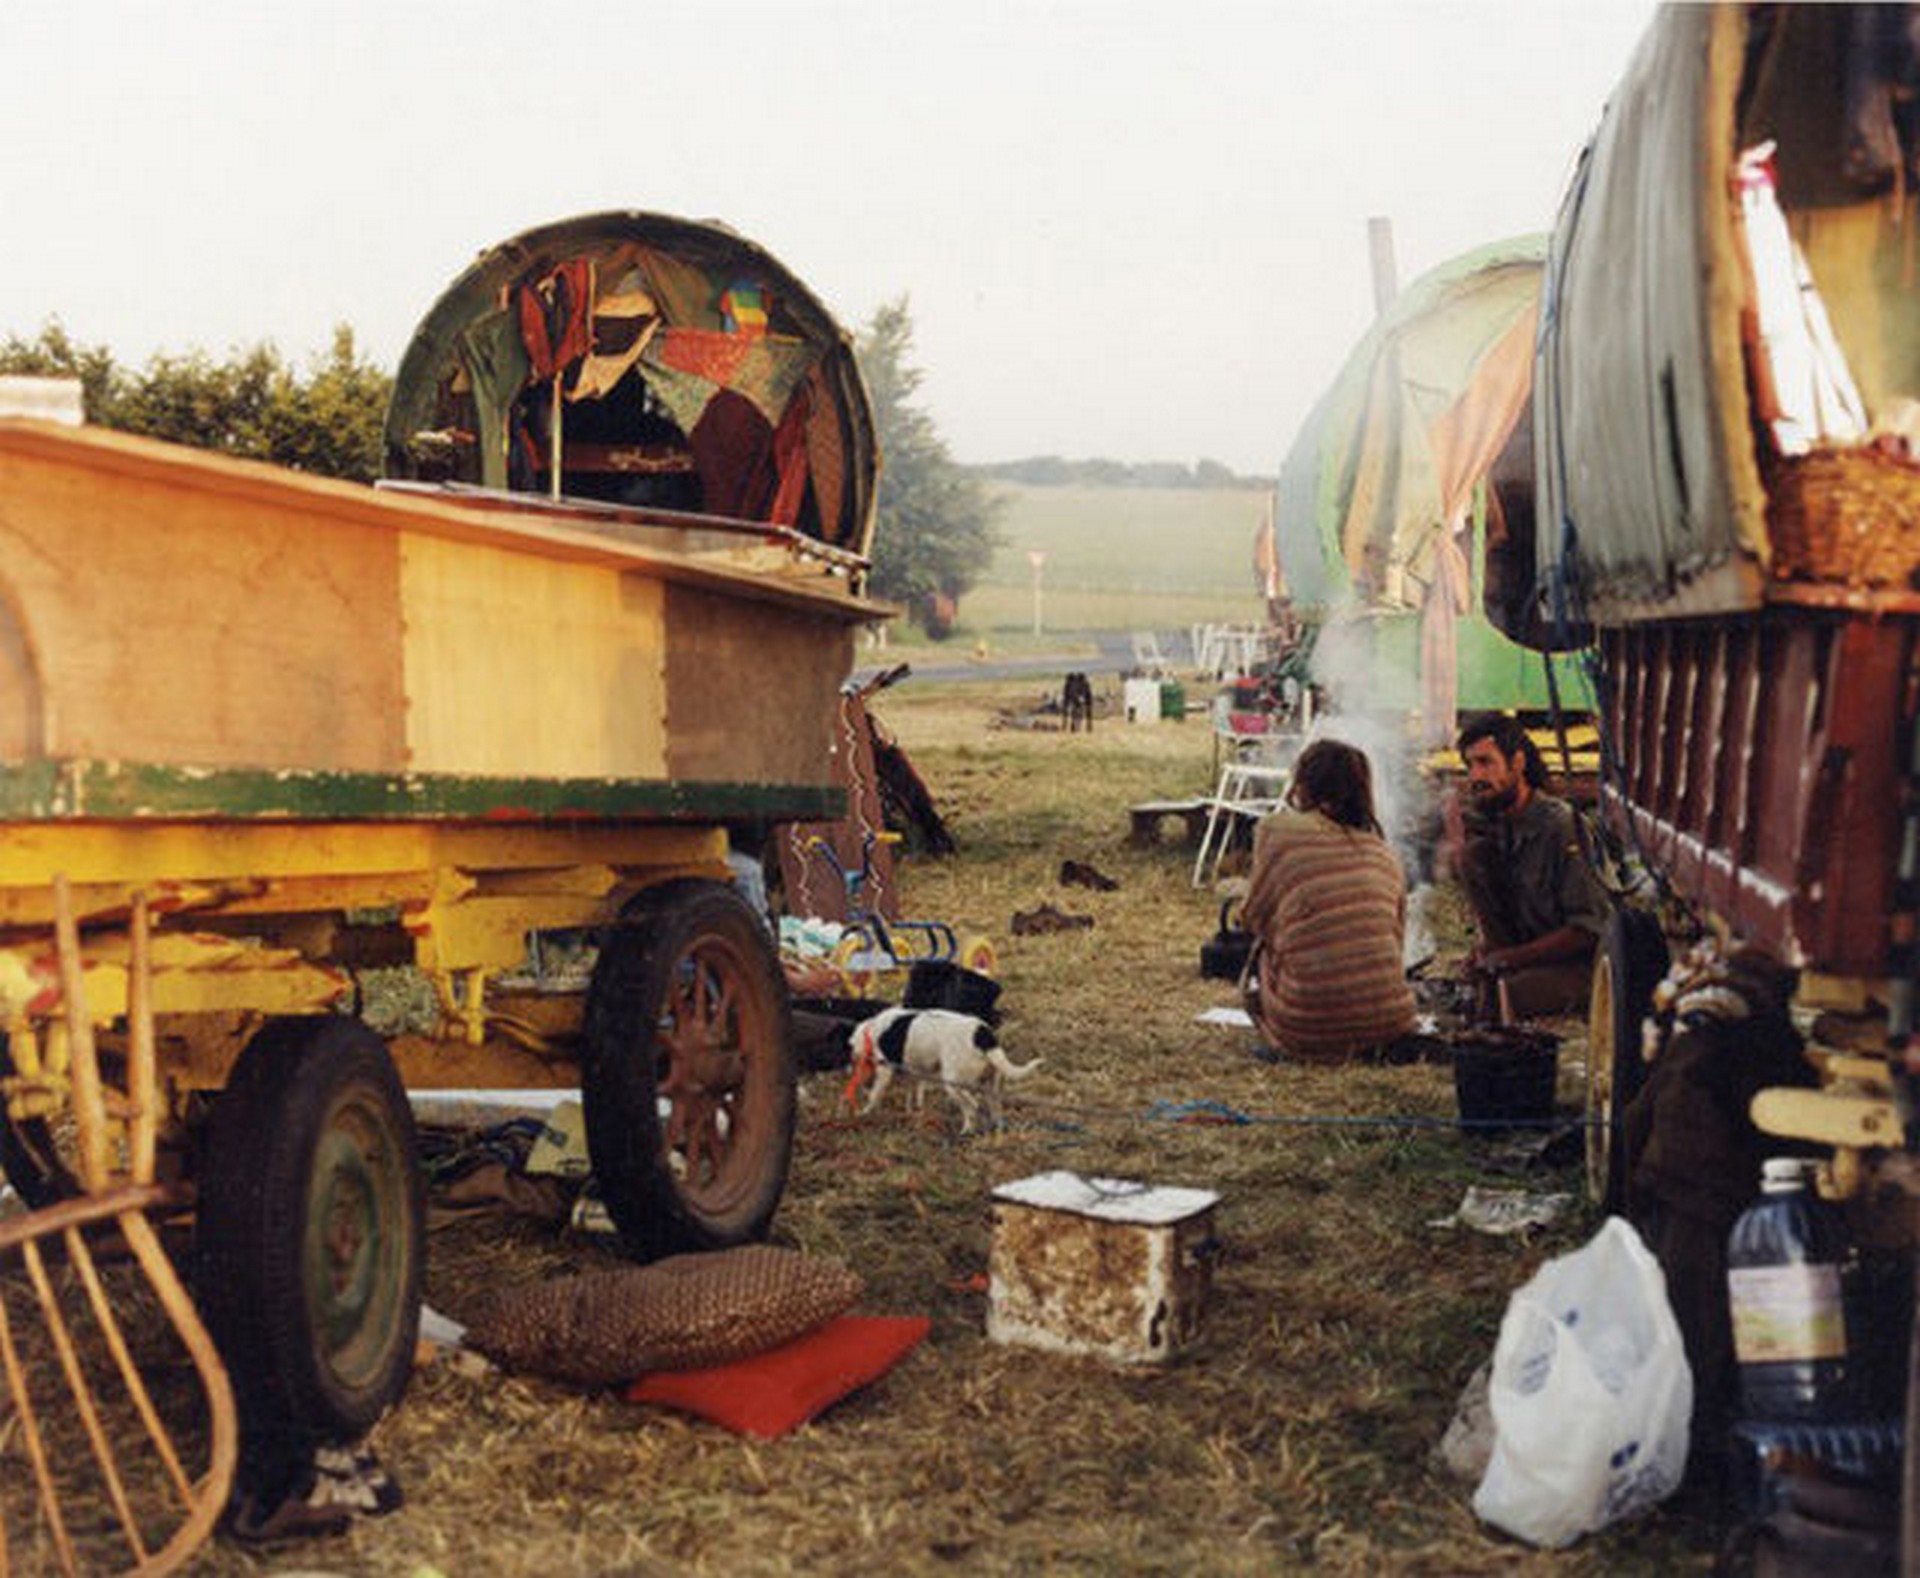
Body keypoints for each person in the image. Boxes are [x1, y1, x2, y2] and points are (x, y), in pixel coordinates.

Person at [1240, 738, 1416, 1061]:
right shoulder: (1384, 853)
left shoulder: (1276, 832)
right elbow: (1396, 937)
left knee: (1264, 953)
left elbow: (1254, 917)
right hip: (1392, 1020)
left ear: (1303, 785)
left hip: (1306, 1028)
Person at [1454, 712, 1608, 1020]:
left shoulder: (1562, 826)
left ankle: (1505, 981)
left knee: (1498, 1001)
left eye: (1486, 762)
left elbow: (1587, 931)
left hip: (1582, 968)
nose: (1475, 777)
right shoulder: (1501, 823)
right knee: (1471, 857)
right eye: (1470, 766)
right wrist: (1488, 954)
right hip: (1530, 959)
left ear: (1518, 763)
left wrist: (1511, 959)